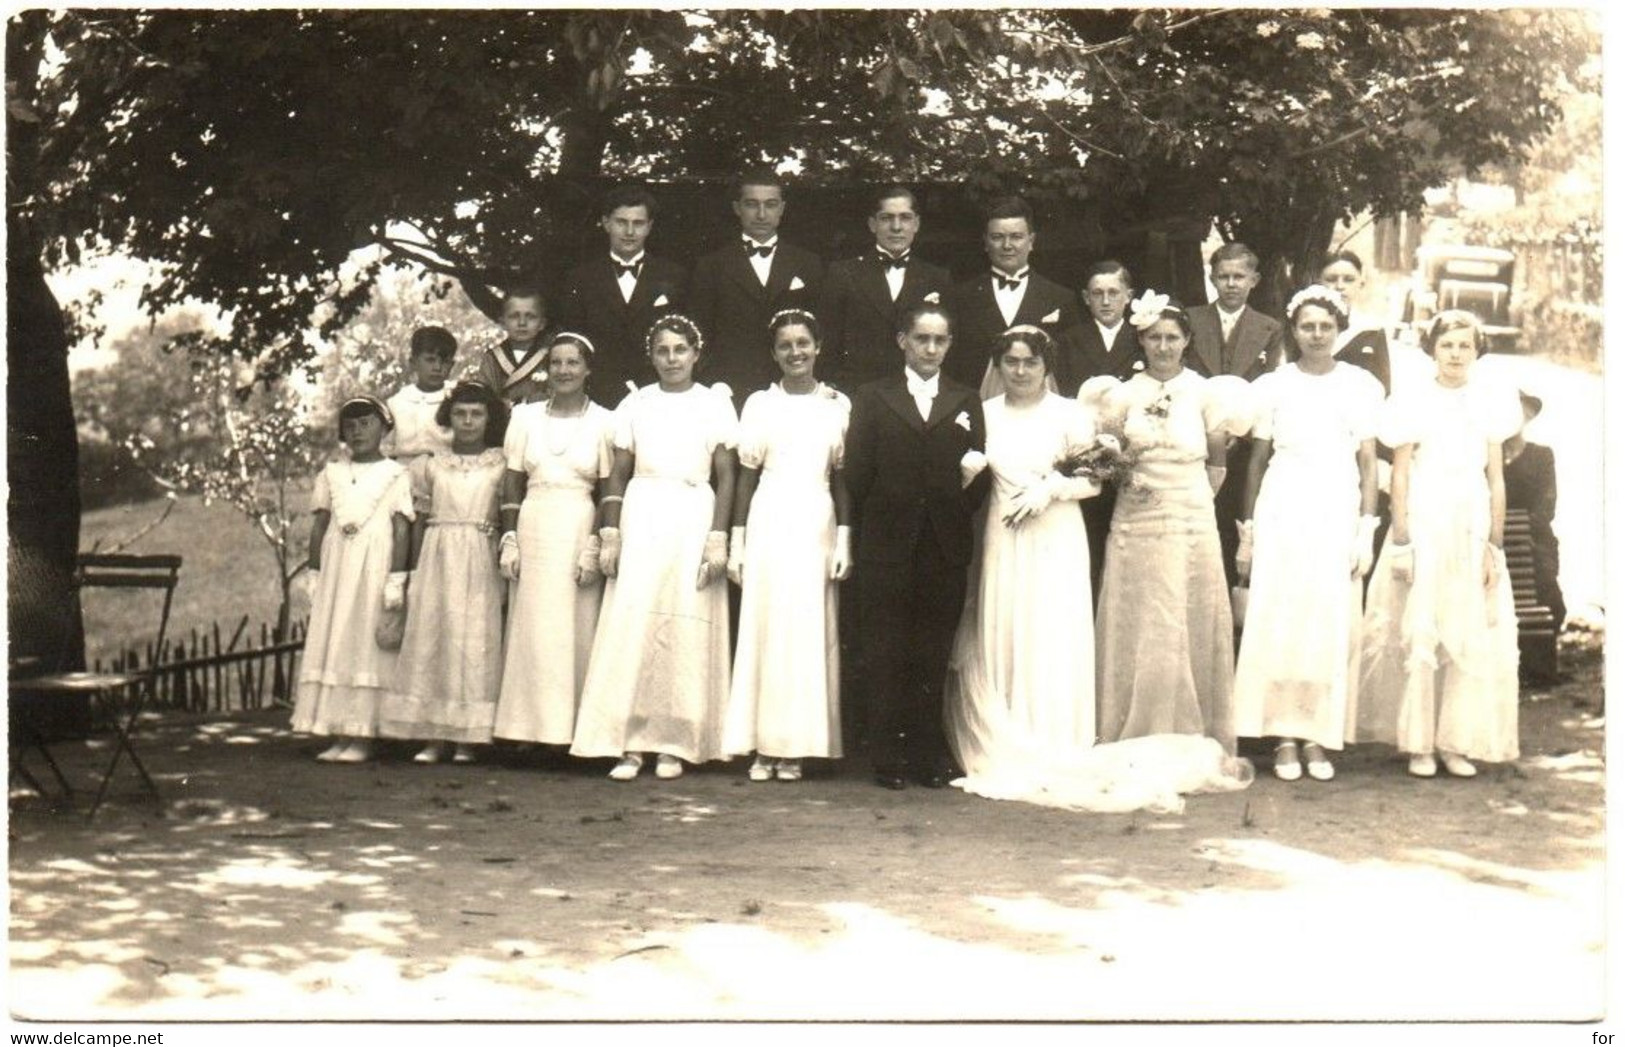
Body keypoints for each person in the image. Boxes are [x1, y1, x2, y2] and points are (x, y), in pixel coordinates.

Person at [570, 315, 738, 780]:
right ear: (652, 355)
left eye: (680, 350)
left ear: (695, 353)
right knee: (635, 622)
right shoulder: (635, 404)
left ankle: (675, 743)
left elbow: (727, 476)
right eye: (662, 351)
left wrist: (718, 537)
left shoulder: (715, 404)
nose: (671, 359)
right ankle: (629, 743)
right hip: (643, 513)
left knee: (683, 625)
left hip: (692, 514)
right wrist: (611, 531)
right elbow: (617, 474)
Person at [1356, 310, 1521, 778]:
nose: (1455, 354)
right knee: (1422, 626)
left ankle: (1455, 741)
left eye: (1464, 346)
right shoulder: (1414, 400)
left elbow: (1495, 478)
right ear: (1433, 349)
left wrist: (1495, 544)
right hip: (1426, 516)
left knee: (1464, 627)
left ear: (1477, 351)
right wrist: (1403, 535)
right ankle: (1419, 742)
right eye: (1447, 345)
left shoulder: (1490, 401)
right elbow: (1402, 473)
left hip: (1469, 518)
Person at [1089, 291, 1253, 753]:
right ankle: (1131, 725)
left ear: (1186, 341)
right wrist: (1129, 481)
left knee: (1186, 612)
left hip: (1190, 514)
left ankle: (1189, 727)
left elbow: (1217, 464)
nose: (1163, 346)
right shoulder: (1120, 395)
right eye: (1154, 337)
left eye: (1172, 337)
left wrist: (1188, 503)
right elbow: (1106, 460)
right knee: (1141, 616)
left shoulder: (1204, 392)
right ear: (1141, 340)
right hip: (1136, 516)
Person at [944, 327, 1103, 803]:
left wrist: (1050, 490)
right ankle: (1006, 735)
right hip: (1003, 530)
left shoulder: (1071, 414)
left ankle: (1055, 738)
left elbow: (1094, 481)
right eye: (1010, 362)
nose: (1019, 371)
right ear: (998, 366)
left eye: (1029, 362)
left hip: (1056, 534)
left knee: (1051, 627)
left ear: (1045, 366)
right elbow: (967, 480)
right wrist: (966, 471)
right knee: (1006, 621)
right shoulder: (983, 413)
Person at [1232, 286, 1383, 783]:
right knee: (1281, 620)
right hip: (1284, 504)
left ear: (1339, 330)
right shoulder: (1274, 385)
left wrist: (1365, 529)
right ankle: (1283, 736)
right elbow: (1256, 461)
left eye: (1326, 326)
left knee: (1324, 622)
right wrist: (1249, 533)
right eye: (1307, 326)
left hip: (1334, 505)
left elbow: (1367, 462)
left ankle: (1316, 733)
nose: (1317, 335)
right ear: (1293, 331)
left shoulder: (1359, 384)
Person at [845, 302, 990, 789]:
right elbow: (858, 474)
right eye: (921, 338)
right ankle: (888, 756)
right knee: (885, 649)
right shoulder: (873, 397)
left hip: (942, 546)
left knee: (932, 650)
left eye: (940, 340)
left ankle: (928, 754)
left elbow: (978, 478)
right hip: (887, 545)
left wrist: (960, 492)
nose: (931, 348)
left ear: (950, 345)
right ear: (902, 340)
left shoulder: (965, 399)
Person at [721, 309, 852, 782]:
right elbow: (745, 477)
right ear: (774, 352)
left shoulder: (838, 404)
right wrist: (735, 542)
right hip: (769, 517)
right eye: (785, 345)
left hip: (816, 519)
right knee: (766, 628)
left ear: (817, 347)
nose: (795, 353)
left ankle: (795, 745)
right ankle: (762, 745)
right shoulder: (759, 404)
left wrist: (844, 540)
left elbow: (842, 480)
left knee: (805, 632)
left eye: (803, 343)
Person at [492, 332, 616, 749]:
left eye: (573, 363)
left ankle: (571, 732)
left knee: (574, 626)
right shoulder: (525, 418)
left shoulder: (604, 420)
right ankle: (527, 732)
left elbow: (607, 489)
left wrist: (595, 543)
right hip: (534, 521)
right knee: (533, 627)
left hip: (578, 521)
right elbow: (512, 481)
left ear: (588, 370)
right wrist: (510, 537)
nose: (564, 371)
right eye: (557, 362)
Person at [381, 381, 510, 763]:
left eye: (477, 413)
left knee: (473, 638)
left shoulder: (500, 462)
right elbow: (419, 519)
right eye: (460, 413)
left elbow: (505, 515)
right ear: (448, 417)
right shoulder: (429, 464)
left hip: (480, 552)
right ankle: (433, 736)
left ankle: (468, 737)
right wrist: (415, 571)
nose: (468, 421)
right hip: (438, 551)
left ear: (489, 419)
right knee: (435, 635)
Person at [292, 397, 413, 763]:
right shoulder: (331, 473)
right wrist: (314, 574)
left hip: (374, 566)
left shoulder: (396, 474)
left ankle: (363, 734)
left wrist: (396, 579)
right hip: (337, 565)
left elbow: (402, 529)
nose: (358, 431)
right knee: (338, 638)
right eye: (351, 425)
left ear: (384, 428)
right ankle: (340, 732)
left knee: (365, 640)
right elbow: (318, 527)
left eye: (367, 423)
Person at [1186, 242, 1284, 589]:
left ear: (1254, 280)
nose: (1231, 284)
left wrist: (1237, 432)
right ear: (1212, 278)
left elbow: (1267, 385)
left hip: (1243, 447)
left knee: (1232, 524)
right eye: (1223, 276)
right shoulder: (1191, 320)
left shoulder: (1269, 328)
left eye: (1239, 276)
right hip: (1193, 441)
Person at [688, 170, 823, 405]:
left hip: (793, 386)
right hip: (731, 387)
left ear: (782, 208)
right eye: (752, 205)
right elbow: (699, 333)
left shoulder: (808, 263)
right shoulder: (711, 266)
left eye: (770, 205)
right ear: (737, 208)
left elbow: (820, 327)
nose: (761, 214)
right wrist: (714, 382)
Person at [1056, 260, 1145, 603]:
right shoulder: (1068, 341)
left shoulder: (1143, 339)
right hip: (1084, 456)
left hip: (1130, 457)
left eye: (1113, 293)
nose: (1106, 301)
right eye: (1097, 294)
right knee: (1088, 543)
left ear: (1129, 297)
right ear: (1085, 298)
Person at [557, 185, 687, 408]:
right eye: (621, 222)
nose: (629, 232)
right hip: (598, 395)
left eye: (638, 223)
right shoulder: (580, 279)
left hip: (658, 394)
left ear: (649, 226)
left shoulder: (674, 276)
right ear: (606, 223)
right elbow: (575, 341)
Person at [818, 185, 952, 393]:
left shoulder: (937, 277)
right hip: (859, 393)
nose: (896, 227)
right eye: (887, 218)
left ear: (916, 224)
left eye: (905, 218)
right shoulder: (843, 273)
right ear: (873, 224)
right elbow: (828, 343)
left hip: (917, 394)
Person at [945, 195, 1080, 391]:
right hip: (977, 410)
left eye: (1016, 237)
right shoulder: (961, 297)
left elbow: (1069, 369)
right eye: (997, 237)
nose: (1007, 245)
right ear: (985, 242)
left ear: (1031, 241)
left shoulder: (1061, 298)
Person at [1502, 388, 1565, 628]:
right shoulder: (1486, 458)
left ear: (1527, 416)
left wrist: (1518, 529)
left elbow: (1547, 505)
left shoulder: (1541, 455)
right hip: (1493, 542)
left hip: (1533, 540)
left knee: (1547, 602)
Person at [1317, 249, 1393, 394]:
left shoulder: (1371, 330)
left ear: (1361, 283)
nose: (1340, 286)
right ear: (1319, 282)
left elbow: (1383, 386)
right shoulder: (1305, 329)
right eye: (1331, 279)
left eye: (1348, 279)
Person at [382, 326, 456, 462]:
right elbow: (385, 449)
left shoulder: (456, 399)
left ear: (452, 365)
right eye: (430, 360)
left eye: (444, 362)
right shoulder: (398, 402)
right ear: (413, 363)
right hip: (405, 473)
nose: (437, 368)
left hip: (446, 473)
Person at [478, 286, 554, 405]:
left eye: (530, 317)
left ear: (542, 324)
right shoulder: (492, 358)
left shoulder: (551, 356)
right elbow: (483, 399)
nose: (522, 323)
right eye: (514, 316)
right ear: (503, 323)